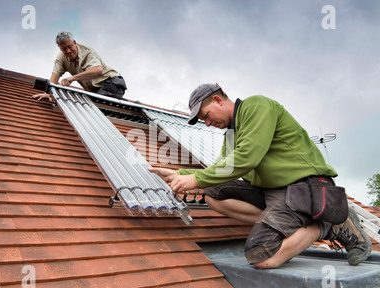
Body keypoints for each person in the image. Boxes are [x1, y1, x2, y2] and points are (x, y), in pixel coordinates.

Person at [149, 83, 372, 269]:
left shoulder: (257, 106)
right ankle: (280, 224)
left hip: (302, 187)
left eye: (205, 116)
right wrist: (180, 174)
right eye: (202, 120)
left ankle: (326, 224)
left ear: (218, 100)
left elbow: (247, 158)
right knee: (212, 193)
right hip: (270, 192)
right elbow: (220, 168)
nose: (207, 123)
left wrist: (194, 181)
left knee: (261, 256)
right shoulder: (230, 134)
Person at [33, 31, 127, 101]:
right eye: (64, 49)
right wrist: (48, 93)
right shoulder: (61, 57)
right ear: (60, 48)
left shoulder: (88, 53)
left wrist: (73, 78)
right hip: (96, 91)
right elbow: (54, 76)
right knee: (92, 103)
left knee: (99, 103)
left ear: (74, 42)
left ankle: (132, 107)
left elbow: (98, 71)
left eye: (70, 46)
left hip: (112, 81)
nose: (68, 51)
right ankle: (123, 102)